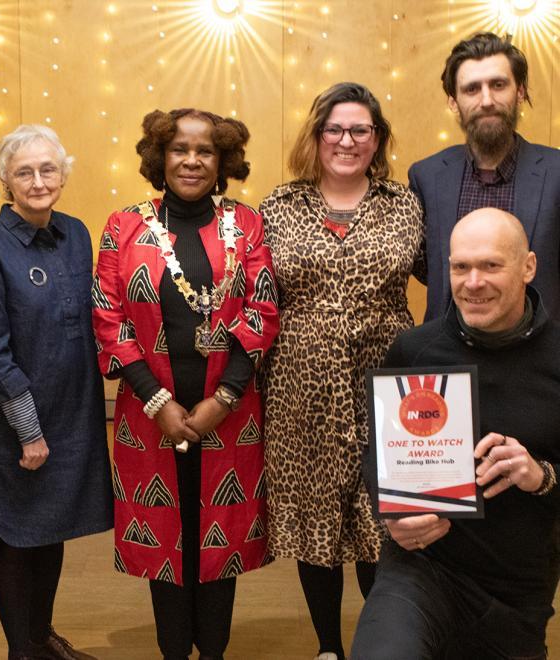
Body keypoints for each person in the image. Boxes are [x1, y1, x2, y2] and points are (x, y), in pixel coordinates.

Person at [92, 108, 280, 660]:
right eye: (179, 150)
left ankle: (215, 651)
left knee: (217, 537)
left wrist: (222, 401)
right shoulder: (123, 225)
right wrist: (157, 401)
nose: (192, 161)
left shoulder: (246, 224)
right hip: (152, 418)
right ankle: (174, 651)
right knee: (169, 539)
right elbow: (109, 319)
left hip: (231, 414)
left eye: (204, 151)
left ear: (222, 160)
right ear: (160, 158)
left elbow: (263, 311)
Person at [258, 82, 425, 660]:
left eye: (361, 130)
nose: (347, 141)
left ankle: (381, 642)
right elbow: (252, 296)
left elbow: (449, 281)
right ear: (317, 135)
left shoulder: (405, 204)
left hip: (388, 379)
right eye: (335, 129)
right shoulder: (279, 206)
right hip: (298, 383)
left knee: (386, 516)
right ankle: (329, 646)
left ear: (377, 140)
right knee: (316, 517)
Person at [352, 207, 560, 660]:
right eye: (460, 267)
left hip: (515, 592)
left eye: (490, 265)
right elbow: (377, 454)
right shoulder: (414, 349)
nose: (472, 283)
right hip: (422, 569)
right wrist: (391, 514)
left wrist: (540, 475)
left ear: (528, 266)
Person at [0, 124, 113, 660]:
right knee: (16, 535)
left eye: (47, 169)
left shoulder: (77, 232)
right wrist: (28, 430)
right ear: (6, 180)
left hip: (73, 412)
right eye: (24, 171)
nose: (37, 180)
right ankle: (20, 650)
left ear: (63, 174)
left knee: (50, 530)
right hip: (20, 422)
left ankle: (41, 637)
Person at [409, 32, 560, 321]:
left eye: (498, 85)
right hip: (449, 354)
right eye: (472, 89)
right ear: (453, 102)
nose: (487, 100)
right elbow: (427, 269)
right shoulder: (426, 177)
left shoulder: (556, 173)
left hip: (539, 356)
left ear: (520, 92)